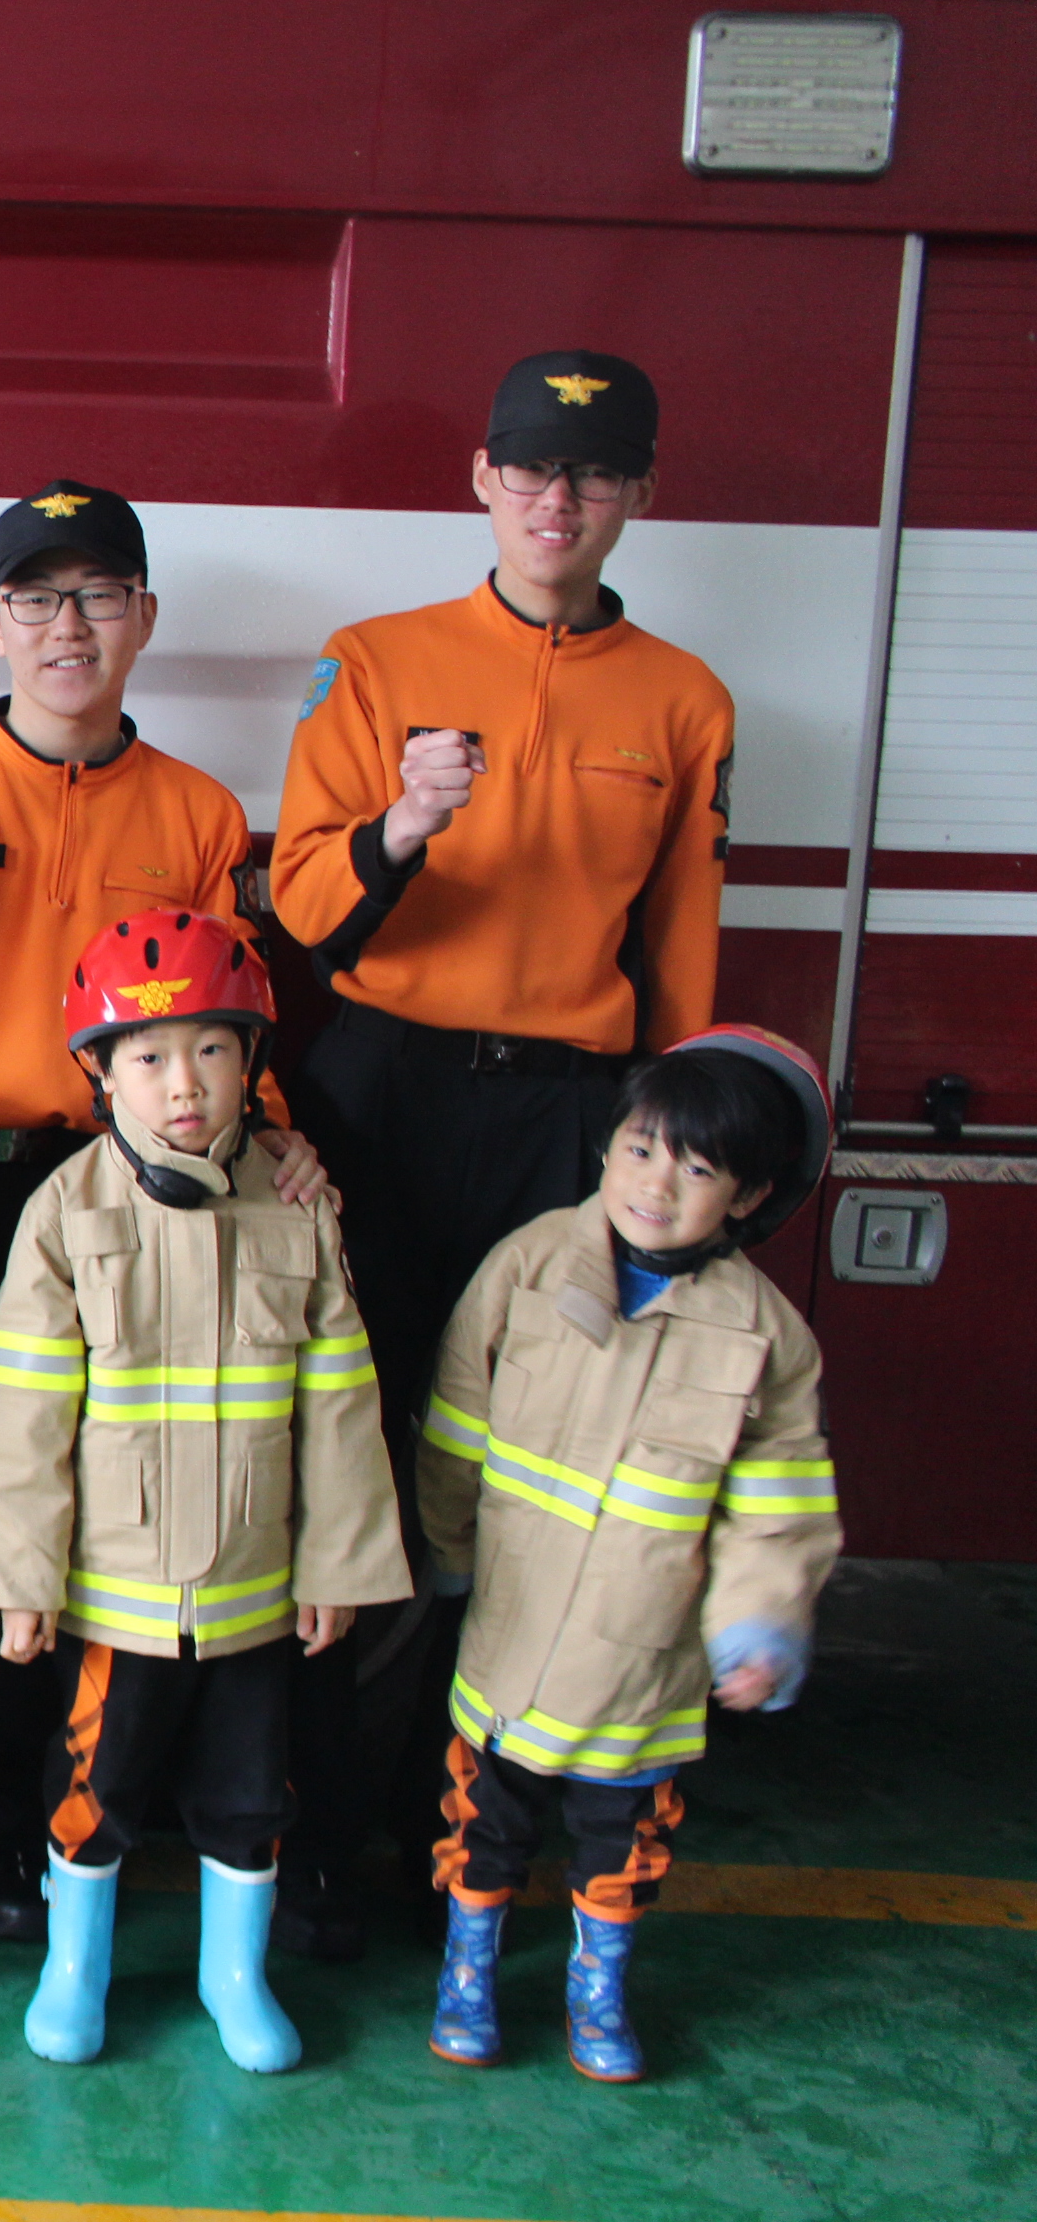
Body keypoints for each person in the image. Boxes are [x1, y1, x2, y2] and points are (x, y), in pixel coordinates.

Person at [0, 480, 327, 1945]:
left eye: (96, 596)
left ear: (143, 617)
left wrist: (281, 1141)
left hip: (108, 1203)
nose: (67, 626)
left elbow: (233, 1022)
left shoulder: (198, 811)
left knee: (61, 1507)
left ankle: (1, 1823)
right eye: (36, 598)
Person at [269, 352, 733, 1946]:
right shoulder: (374, 662)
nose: (558, 501)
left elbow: (680, 946)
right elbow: (303, 910)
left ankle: (458, 1837)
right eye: (531, 469)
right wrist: (402, 827)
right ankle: (312, 1835)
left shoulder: (683, 700)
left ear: (638, 496)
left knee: (527, 1480)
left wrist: (675, 1154)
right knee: (354, 1459)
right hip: (384, 1101)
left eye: (594, 476)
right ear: (481, 479)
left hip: (568, 1118)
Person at [0, 910, 407, 2074]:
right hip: (114, 1595)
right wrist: (19, 1579)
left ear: (253, 1062)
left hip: (256, 1592)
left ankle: (233, 1978)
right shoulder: (64, 1216)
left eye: (213, 1049)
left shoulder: (297, 1206)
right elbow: (22, 1423)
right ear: (99, 1073)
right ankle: (76, 1970)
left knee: (251, 1797)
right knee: (92, 1788)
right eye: (150, 1055)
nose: (184, 1085)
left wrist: (338, 1561)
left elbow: (342, 1405)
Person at [415, 1026, 838, 2084]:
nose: (656, 1184)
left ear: (748, 1196)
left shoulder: (768, 1338)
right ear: (608, 1146)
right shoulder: (528, 1264)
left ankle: (597, 1990)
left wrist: (760, 1628)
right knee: (482, 1820)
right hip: (509, 1635)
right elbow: (457, 1419)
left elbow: (777, 1511)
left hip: (644, 1660)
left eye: (697, 1169)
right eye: (641, 1149)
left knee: (624, 1841)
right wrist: (444, 1546)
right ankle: (468, 1973)